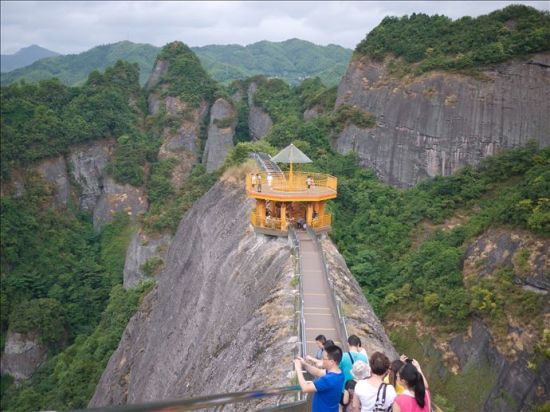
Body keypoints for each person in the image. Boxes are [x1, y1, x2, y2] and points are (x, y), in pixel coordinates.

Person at [294, 344, 345, 412]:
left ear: (331, 362)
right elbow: (318, 372)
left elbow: (305, 388)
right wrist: (304, 364)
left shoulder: (327, 380)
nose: (322, 360)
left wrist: (298, 368)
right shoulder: (340, 373)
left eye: (324, 358)